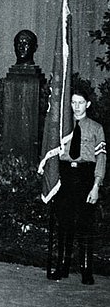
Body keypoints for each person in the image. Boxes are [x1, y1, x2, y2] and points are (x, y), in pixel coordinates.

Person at [50, 88, 105, 285]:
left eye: (80, 102)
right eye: (73, 102)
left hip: (85, 176)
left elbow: (101, 158)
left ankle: (85, 270)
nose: (76, 106)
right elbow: (53, 153)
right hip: (65, 175)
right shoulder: (62, 127)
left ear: (88, 104)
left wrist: (96, 185)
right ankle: (62, 266)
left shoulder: (96, 128)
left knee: (85, 224)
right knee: (64, 223)